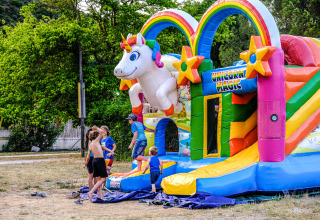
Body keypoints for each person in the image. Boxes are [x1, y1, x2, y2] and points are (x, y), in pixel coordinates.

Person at [84, 126, 114, 201]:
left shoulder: (90, 144)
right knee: (103, 179)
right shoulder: (96, 141)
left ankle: (101, 196)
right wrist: (96, 127)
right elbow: (102, 132)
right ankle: (91, 192)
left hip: (94, 161)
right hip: (100, 160)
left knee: (99, 179)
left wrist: (85, 164)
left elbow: (88, 157)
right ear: (96, 136)